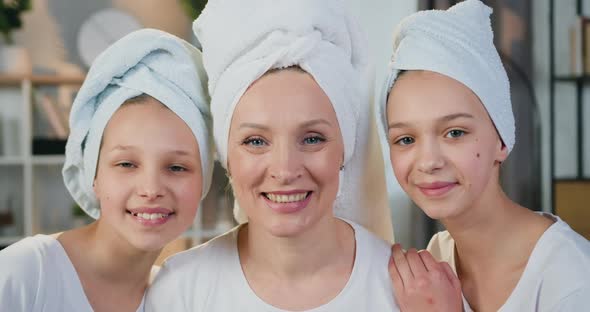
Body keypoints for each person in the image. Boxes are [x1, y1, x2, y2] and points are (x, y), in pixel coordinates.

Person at [145, 0, 398, 310]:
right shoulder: (180, 291)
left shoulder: (405, 287)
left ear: (345, 148)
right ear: (227, 158)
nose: (285, 169)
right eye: (255, 141)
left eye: (312, 138)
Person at [379, 1, 590, 310]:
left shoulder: (570, 277)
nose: (428, 162)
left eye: (454, 132)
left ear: (501, 141)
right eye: (406, 139)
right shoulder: (436, 260)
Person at [0, 28, 213, 312]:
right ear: (94, 174)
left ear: (204, 180)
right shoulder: (26, 274)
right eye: (126, 164)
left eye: (176, 167)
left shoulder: (180, 298)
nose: (151, 189)